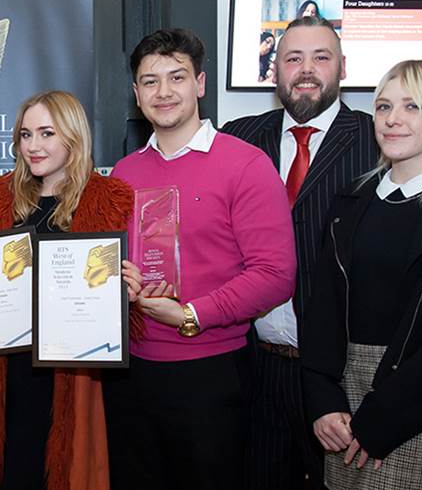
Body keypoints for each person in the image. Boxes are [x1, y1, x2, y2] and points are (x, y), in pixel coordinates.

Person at [103, 28, 297, 490]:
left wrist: (191, 315)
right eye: (150, 81)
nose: (164, 92)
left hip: (211, 373)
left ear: (201, 84)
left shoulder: (246, 164)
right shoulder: (124, 173)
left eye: (177, 77)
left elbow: (275, 275)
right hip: (131, 370)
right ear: (135, 93)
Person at [0, 90, 140, 490]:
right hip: (11, 371)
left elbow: (115, 305)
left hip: (74, 373)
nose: (33, 146)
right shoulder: (1, 196)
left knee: (68, 470)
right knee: (14, 468)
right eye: (25, 134)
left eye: (47, 133)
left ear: (72, 136)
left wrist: (126, 291)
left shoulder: (108, 197)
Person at [222, 16, 377, 490]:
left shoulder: (379, 141)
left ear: (343, 67)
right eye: (293, 58)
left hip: (341, 378)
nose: (306, 70)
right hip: (255, 369)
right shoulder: (238, 138)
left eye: (320, 57)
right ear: (274, 71)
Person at [300, 59, 422, 489]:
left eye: (412, 107)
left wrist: (383, 418)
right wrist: (323, 402)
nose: (392, 119)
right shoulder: (352, 201)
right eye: (383, 107)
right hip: (344, 407)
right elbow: (322, 309)